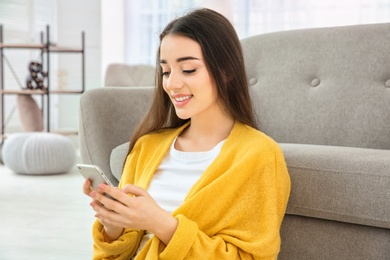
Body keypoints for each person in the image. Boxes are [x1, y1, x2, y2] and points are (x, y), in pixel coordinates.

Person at [83, 8, 290, 259]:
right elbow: (114, 255)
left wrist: (161, 223)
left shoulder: (259, 156)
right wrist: (113, 225)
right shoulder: (147, 147)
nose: (171, 84)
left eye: (188, 70)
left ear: (226, 72)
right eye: (166, 71)